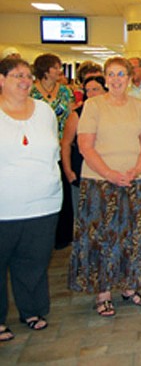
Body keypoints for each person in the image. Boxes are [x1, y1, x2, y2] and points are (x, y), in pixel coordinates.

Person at [70, 57, 141, 317]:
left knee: (134, 236)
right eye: (112, 74)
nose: (116, 79)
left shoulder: (140, 106)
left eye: (121, 74)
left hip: (134, 181)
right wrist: (110, 174)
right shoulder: (93, 106)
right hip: (99, 182)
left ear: (130, 78)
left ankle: (130, 286)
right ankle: (103, 293)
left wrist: (136, 170)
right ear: (105, 79)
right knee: (102, 238)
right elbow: (86, 146)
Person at [0, 58, 62, 341]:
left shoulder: (45, 111)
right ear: (1, 80)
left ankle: (32, 310)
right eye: (17, 76)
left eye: (27, 76)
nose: (25, 81)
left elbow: (54, 150)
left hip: (43, 202)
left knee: (34, 261)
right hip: (5, 204)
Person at [30, 53, 74, 248]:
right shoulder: (31, 92)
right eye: (56, 67)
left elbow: (71, 115)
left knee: (64, 188)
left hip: (63, 144)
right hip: (38, 148)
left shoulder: (65, 91)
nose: (59, 71)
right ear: (46, 70)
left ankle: (63, 235)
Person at [60, 75, 107, 219]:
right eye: (88, 90)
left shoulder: (112, 113)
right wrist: (68, 170)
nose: (91, 94)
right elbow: (66, 143)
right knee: (84, 215)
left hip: (107, 170)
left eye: (95, 89)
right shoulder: (77, 115)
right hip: (81, 169)